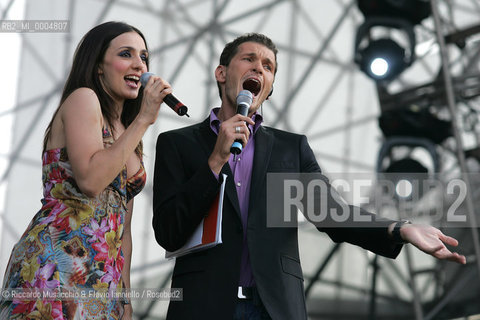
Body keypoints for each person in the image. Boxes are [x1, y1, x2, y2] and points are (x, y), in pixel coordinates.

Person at [152, 33, 466, 320]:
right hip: (202, 307)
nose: (258, 69)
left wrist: (399, 229)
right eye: (248, 59)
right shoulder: (178, 144)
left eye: (268, 66)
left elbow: (332, 214)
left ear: (269, 88)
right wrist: (216, 160)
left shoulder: (290, 149)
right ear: (222, 73)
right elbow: (169, 231)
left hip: (273, 308)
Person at [0, 21, 172, 319]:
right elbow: (91, 181)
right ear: (99, 66)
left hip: (102, 274)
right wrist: (144, 119)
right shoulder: (84, 98)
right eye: (126, 54)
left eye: (144, 56)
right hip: (56, 262)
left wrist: (125, 297)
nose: (139, 65)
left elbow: (124, 228)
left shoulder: (130, 136)